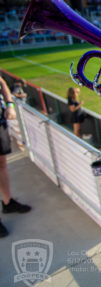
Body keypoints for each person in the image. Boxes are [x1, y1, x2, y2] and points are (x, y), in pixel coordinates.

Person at [0, 76, 31, 238]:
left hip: (0, 122)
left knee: (2, 165)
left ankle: (7, 203)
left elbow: (2, 83)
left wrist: (10, 105)